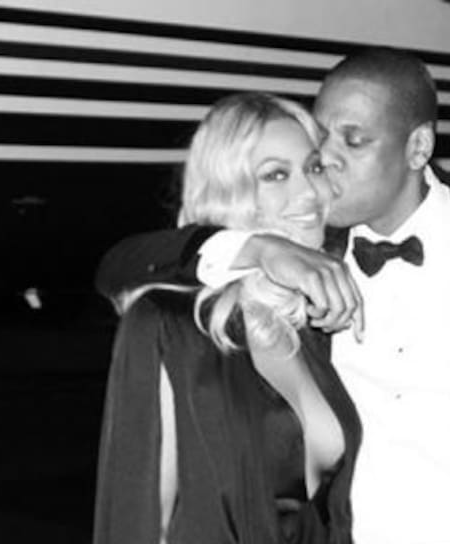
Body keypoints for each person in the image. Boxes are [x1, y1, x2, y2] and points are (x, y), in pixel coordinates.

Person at [96, 47, 450, 544]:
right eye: (322, 141)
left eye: (353, 141)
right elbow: (121, 266)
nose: (327, 162)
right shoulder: (303, 246)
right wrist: (255, 247)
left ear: (417, 148)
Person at [92, 92, 361, 544]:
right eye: (275, 175)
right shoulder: (169, 325)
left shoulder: (313, 324)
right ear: (228, 190)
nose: (309, 192)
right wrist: (257, 248)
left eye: (313, 168)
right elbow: (139, 514)